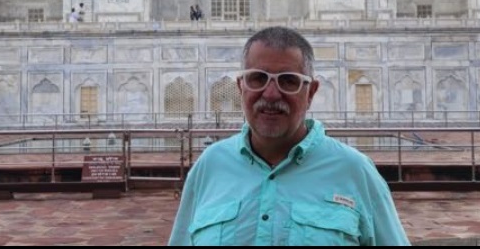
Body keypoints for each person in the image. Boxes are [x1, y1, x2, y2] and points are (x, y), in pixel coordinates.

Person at [168, 26, 410, 246]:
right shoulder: (210, 167)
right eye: (258, 78)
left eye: (288, 81)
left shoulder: (354, 172)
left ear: (311, 91)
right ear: (241, 86)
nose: (272, 94)